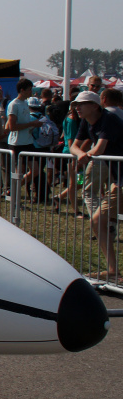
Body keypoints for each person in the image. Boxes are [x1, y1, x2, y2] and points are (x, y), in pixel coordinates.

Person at [70, 90, 121, 280]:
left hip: (120, 180)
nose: (77, 107)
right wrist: (80, 154)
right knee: (97, 220)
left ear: (95, 106)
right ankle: (113, 270)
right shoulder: (86, 121)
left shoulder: (109, 119)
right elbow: (74, 145)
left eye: (81, 104)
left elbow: (99, 148)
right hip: (118, 180)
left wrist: (86, 155)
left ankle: (113, 270)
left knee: (98, 220)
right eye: (76, 104)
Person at [5, 78, 42, 200]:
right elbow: (12, 126)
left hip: (28, 141)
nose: (31, 92)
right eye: (29, 90)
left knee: (35, 170)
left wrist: (35, 125)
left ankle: (12, 190)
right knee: (18, 172)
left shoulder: (25, 103)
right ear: (22, 90)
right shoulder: (13, 104)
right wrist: (32, 124)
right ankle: (14, 197)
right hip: (17, 143)